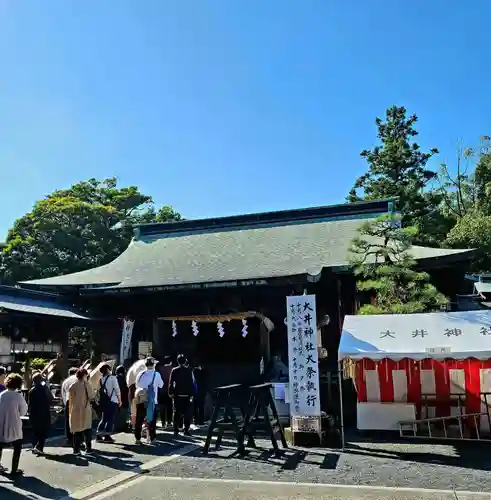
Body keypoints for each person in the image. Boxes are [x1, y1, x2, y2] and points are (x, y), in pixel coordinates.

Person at [0, 373, 28, 476]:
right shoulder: (18, 396)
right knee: (17, 448)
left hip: (1, 425)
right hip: (13, 425)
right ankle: (14, 470)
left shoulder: (1, 395)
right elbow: (23, 411)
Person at [134, 358, 163, 445]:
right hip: (152, 400)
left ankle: (138, 439)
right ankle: (152, 438)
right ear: (153, 365)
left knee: (139, 419)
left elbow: (137, 385)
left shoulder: (140, 374)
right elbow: (161, 385)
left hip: (141, 399)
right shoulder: (156, 374)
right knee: (152, 420)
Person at [68, 368, 94, 456]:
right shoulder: (87, 384)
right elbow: (92, 396)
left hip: (75, 410)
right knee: (87, 430)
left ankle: (76, 450)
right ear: (84, 375)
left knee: (77, 431)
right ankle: (88, 449)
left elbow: (70, 400)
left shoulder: (72, 385)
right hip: (85, 409)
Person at [169, 354, 195, 436]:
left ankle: (176, 429)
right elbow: (192, 383)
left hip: (177, 394)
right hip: (187, 394)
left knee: (177, 412)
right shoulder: (189, 370)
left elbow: (171, 383)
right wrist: (192, 394)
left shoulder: (174, 370)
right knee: (187, 413)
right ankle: (186, 429)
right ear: (185, 361)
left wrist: (171, 392)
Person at [28, 372, 53, 455]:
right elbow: (51, 398)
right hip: (44, 412)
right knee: (43, 430)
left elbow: (29, 403)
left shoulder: (31, 390)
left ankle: (34, 446)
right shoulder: (44, 388)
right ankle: (39, 447)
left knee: (35, 431)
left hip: (34, 412)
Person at [97, 364, 121, 443]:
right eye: (110, 369)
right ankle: (107, 436)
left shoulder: (101, 379)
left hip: (104, 401)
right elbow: (117, 390)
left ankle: (99, 435)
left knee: (104, 418)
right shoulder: (113, 378)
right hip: (113, 401)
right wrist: (120, 400)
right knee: (110, 419)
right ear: (107, 370)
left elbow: (98, 390)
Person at [61, 367, 78, 444]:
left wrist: (65, 403)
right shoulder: (78, 379)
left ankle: (69, 438)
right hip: (78, 401)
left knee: (68, 421)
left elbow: (63, 394)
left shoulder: (65, 382)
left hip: (68, 401)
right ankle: (77, 439)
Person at [157, 357, 173, 428]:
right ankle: (169, 422)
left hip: (161, 390)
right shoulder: (172, 369)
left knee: (162, 407)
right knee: (169, 407)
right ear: (170, 362)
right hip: (169, 390)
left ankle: (163, 422)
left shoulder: (160, 369)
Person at [115, 365, 130, 432]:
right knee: (123, 414)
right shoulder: (125, 379)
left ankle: (116, 426)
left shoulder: (114, 378)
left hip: (115, 399)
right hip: (124, 399)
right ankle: (122, 426)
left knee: (116, 414)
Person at [193, 362, 207, 426]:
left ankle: (195, 421)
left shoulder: (194, 372)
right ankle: (201, 422)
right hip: (201, 392)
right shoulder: (203, 373)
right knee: (201, 407)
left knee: (195, 407)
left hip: (195, 392)